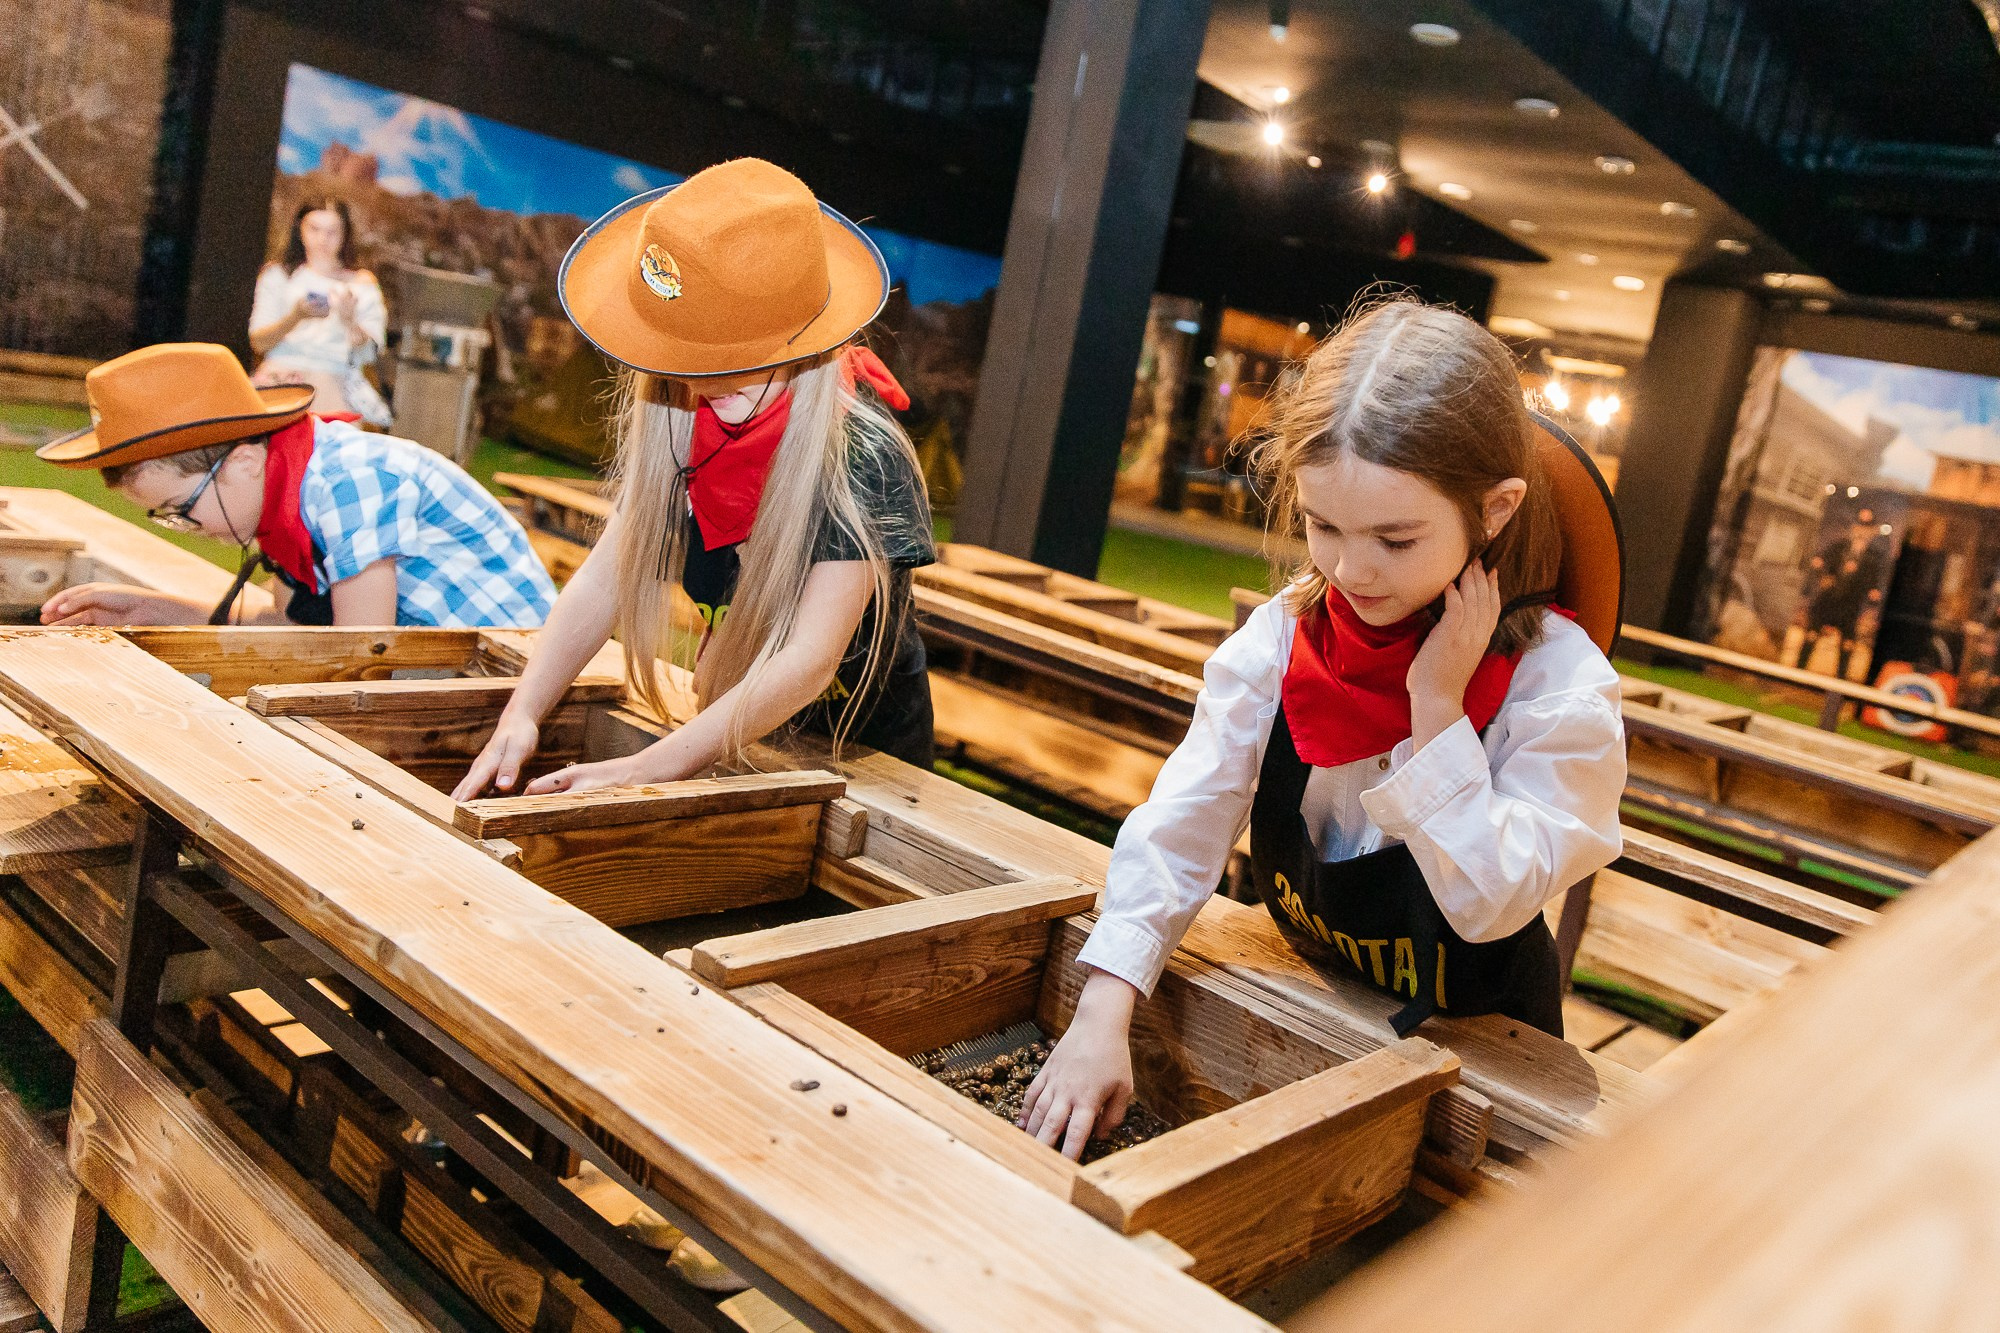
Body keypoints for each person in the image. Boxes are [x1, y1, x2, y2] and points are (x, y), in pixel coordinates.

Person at [1020, 301, 1627, 1160]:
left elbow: (1489, 901)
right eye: (1323, 525)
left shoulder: (1560, 691)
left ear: (1495, 510)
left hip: (1482, 1078)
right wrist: (1103, 1006)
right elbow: (1186, 819)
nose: (1349, 568)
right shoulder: (1283, 637)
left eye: (1395, 538)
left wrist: (1437, 707)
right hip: (1304, 1012)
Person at [451, 158, 933, 802]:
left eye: (729, 363)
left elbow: (810, 658)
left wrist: (647, 767)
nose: (700, 385)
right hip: (724, 732)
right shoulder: (681, 413)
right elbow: (604, 581)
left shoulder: (863, 456)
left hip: (864, 762)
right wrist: (523, 712)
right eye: (687, 361)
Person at [36, 342, 557, 628]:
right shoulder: (283, 490)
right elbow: (290, 626)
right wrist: (159, 611)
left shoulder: (349, 482)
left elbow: (362, 657)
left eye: (180, 508)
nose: (183, 526)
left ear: (242, 462)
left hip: (506, 677)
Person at [249, 197, 393, 426]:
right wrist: (295, 316)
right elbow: (259, 342)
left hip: (334, 383)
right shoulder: (279, 275)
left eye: (332, 232)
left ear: (345, 234)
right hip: (279, 381)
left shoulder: (361, 283)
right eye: (314, 229)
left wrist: (349, 320)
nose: (322, 239)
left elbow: (369, 352)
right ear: (300, 229)